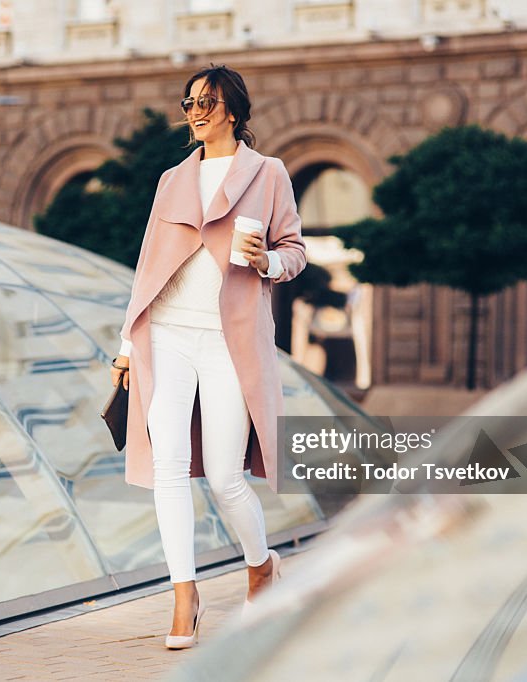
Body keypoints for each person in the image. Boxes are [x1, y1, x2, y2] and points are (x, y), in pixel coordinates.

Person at [109, 64, 306, 649]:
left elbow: (295, 248)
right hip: (166, 332)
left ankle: (261, 566)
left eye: (208, 101)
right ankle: (184, 596)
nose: (195, 110)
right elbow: (148, 266)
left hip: (228, 337)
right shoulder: (172, 178)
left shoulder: (267, 173)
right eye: (190, 100)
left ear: (234, 111)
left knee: (224, 477)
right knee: (168, 465)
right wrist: (125, 345)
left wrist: (266, 262)